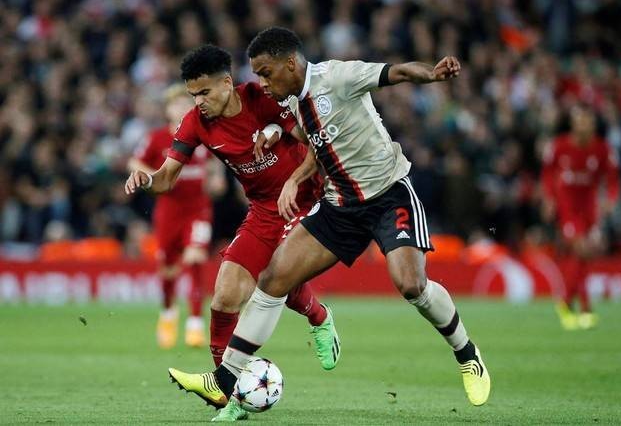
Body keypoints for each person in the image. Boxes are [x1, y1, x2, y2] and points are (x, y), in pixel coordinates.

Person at [188, 27, 491, 422]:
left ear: (290, 64)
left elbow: (395, 73)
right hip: (340, 206)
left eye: (266, 73)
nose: (262, 83)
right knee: (274, 277)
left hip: (387, 195)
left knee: (411, 284)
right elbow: (319, 148)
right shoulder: (293, 102)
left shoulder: (338, 77)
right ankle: (225, 377)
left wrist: (431, 74)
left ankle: (467, 354)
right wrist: (294, 176)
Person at [124, 44, 341, 419]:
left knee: (276, 277)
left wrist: (279, 133)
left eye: (205, 92)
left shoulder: (262, 96)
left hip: (303, 197)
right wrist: (147, 178)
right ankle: (229, 394)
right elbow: (165, 180)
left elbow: (314, 141)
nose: (199, 102)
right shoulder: (195, 122)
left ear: (227, 83)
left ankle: (319, 317)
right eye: (193, 94)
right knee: (225, 296)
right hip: (261, 210)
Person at [128, 83, 221, 349]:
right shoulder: (157, 138)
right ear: (168, 110)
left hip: (198, 209)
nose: (180, 108)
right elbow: (134, 162)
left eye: (185, 103)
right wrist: (151, 177)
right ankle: (168, 313)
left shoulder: (204, 134)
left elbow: (217, 160)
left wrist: (216, 179)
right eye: (175, 104)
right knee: (168, 267)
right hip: (168, 211)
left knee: (195, 258)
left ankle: (194, 323)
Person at [541, 104, 620, 330]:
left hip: (590, 208)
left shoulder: (602, 149)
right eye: (581, 120)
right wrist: (549, 198)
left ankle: (567, 303)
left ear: (593, 123)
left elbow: (612, 178)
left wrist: (611, 199)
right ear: (574, 123)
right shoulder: (559, 146)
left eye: (588, 121)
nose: (584, 125)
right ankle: (584, 307)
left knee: (584, 256)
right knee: (582, 249)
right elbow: (547, 173)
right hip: (568, 208)